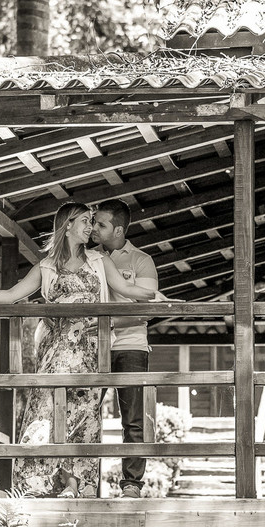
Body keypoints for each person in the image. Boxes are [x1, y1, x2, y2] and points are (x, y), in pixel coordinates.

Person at [0, 202, 167, 498]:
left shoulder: (99, 261)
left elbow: (128, 291)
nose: (90, 227)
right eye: (84, 221)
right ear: (67, 226)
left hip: (91, 354)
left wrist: (156, 296)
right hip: (56, 353)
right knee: (45, 415)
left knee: (85, 419)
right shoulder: (45, 267)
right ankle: (37, 487)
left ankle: (75, 487)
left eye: (92, 222)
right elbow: (12, 295)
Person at [92, 199, 159, 498]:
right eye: (92, 222)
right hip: (92, 345)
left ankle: (132, 484)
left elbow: (145, 310)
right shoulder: (87, 258)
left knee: (132, 418)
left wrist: (106, 319)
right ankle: (80, 482)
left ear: (118, 229)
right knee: (84, 414)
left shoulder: (142, 260)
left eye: (100, 224)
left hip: (131, 345)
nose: (93, 228)